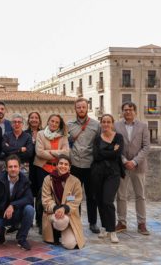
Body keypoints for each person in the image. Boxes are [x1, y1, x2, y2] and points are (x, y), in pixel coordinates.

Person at [114, 102, 151, 235]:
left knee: (140, 195)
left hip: (138, 166)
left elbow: (146, 147)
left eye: (130, 110)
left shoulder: (143, 126)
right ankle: (122, 222)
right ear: (122, 112)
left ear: (135, 111)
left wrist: (134, 161)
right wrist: (124, 161)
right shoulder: (116, 126)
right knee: (121, 195)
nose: (127, 112)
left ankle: (141, 223)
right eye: (125, 110)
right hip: (122, 166)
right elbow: (115, 145)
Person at [0, 155, 35, 250]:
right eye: (10, 167)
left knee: (29, 209)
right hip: (0, 215)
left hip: (15, 214)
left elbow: (29, 198)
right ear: (6, 168)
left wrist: (13, 205)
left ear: (19, 168)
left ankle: (22, 238)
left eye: (15, 166)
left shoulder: (24, 180)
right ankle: (1, 231)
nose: (13, 169)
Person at [67, 98, 100, 234]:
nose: (81, 109)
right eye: (78, 107)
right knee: (73, 196)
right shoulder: (69, 125)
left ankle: (92, 223)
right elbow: (65, 142)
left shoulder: (96, 125)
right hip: (74, 165)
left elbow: (99, 143)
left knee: (92, 196)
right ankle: (75, 220)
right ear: (75, 109)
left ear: (87, 108)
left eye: (83, 107)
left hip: (90, 165)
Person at [92, 114, 124, 243]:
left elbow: (118, 154)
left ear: (112, 123)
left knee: (107, 201)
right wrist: (112, 150)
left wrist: (105, 152)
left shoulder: (118, 137)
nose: (106, 124)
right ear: (101, 123)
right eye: (103, 122)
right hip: (98, 173)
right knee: (100, 201)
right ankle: (105, 227)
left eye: (108, 122)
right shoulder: (97, 138)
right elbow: (96, 156)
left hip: (113, 173)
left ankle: (112, 231)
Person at [34, 114, 69, 233]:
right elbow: (39, 152)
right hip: (42, 168)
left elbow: (66, 153)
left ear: (59, 124)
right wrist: (57, 154)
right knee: (41, 197)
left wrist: (50, 152)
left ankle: (53, 222)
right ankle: (40, 222)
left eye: (56, 122)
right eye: (52, 121)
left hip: (57, 170)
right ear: (48, 121)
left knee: (55, 196)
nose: (54, 124)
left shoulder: (63, 137)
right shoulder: (40, 134)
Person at [42, 155, 85, 249]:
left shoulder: (75, 181)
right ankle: (54, 232)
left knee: (70, 245)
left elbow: (75, 200)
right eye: (61, 163)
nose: (63, 166)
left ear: (69, 167)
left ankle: (62, 232)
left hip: (69, 215)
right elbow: (46, 200)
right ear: (56, 165)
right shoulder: (48, 179)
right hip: (52, 214)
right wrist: (57, 209)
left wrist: (64, 208)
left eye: (66, 164)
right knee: (62, 221)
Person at [24, 111, 42, 228]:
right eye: (32, 117)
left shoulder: (44, 133)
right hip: (27, 166)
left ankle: (39, 220)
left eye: (36, 118)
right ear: (29, 120)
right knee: (28, 193)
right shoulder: (24, 133)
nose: (34, 119)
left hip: (41, 166)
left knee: (41, 194)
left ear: (39, 120)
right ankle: (29, 219)